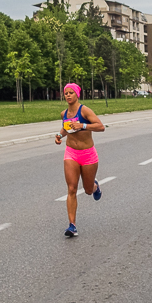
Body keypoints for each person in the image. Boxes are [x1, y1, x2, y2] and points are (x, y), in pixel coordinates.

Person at [55, 83, 105, 238]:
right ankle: (72, 225)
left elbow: (101, 126)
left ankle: (95, 186)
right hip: (71, 153)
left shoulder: (84, 110)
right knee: (72, 188)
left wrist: (83, 125)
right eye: (66, 93)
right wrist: (59, 135)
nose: (68, 95)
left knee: (88, 190)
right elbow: (66, 127)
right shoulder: (64, 113)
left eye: (71, 92)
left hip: (88, 154)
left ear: (77, 94)